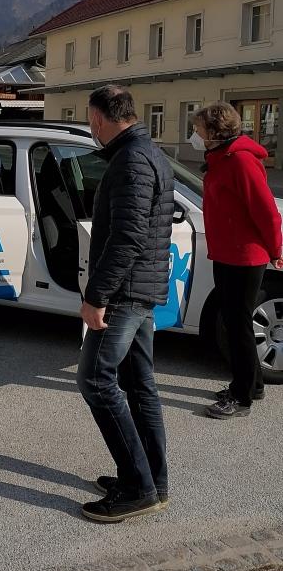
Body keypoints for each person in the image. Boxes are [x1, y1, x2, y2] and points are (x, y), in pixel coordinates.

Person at [77, 85, 173, 523]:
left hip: (124, 293)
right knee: (138, 383)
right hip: (140, 289)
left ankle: (138, 487)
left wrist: (96, 296)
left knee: (96, 380)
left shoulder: (131, 160)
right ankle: (151, 479)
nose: (91, 128)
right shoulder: (147, 152)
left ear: (99, 118)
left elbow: (128, 238)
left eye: (90, 119)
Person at [190, 103, 283, 419]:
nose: (195, 134)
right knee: (235, 322)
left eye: (198, 128)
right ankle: (253, 385)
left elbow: (266, 211)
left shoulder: (240, 160)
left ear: (215, 131)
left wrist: (276, 250)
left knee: (237, 326)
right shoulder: (221, 158)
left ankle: (241, 397)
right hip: (227, 253)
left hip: (244, 256)